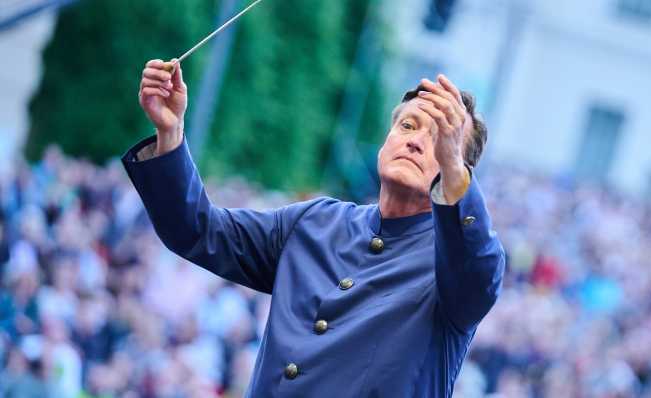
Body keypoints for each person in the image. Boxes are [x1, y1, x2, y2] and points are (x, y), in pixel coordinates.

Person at [121, 58, 505, 397]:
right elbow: (198, 231)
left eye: (440, 140)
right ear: (385, 141)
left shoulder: (456, 267)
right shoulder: (316, 222)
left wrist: (455, 171)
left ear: (458, 171)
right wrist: (170, 134)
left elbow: (478, 269)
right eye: (408, 125)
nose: (417, 142)